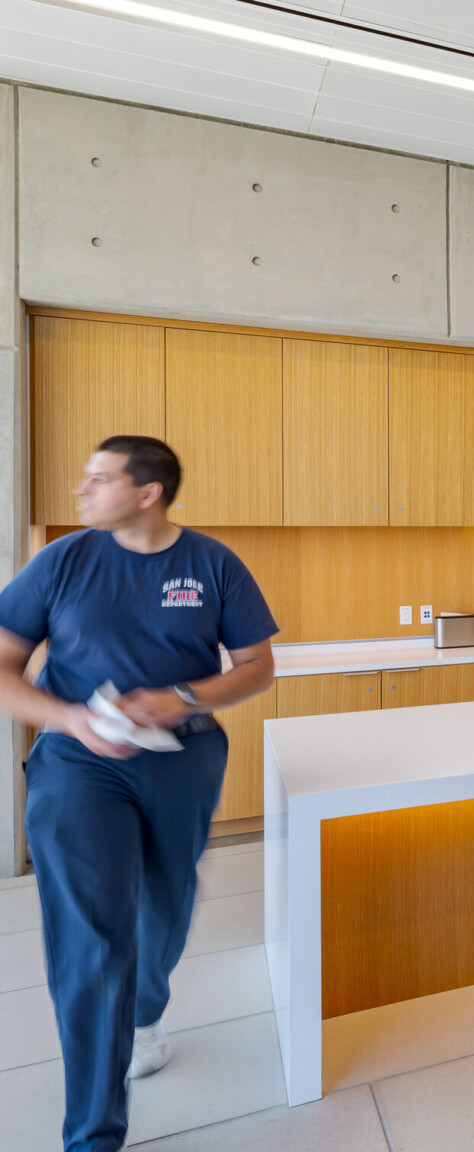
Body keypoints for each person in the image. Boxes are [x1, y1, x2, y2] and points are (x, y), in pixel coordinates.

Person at [0, 437, 278, 1152]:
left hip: (182, 759)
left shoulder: (212, 564)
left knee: (163, 907)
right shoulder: (62, 561)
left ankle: (145, 1007)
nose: (80, 491)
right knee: (93, 939)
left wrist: (182, 697)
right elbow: (3, 664)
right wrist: (68, 719)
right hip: (76, 764)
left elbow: (255, 667)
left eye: (99, 479)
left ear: (147, 491)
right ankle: (93, 1134)